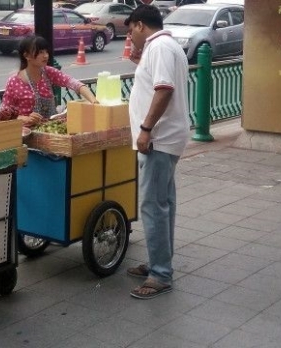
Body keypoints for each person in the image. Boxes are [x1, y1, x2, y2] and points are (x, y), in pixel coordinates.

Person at [123, 5, 190, 299]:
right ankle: (159, 261)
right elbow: (156, 84)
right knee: (165, 202)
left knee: (153, 205)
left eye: (129, 31)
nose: (130, 38)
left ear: (140, 25)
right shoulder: (164, 45)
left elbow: (164, 90)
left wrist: (146, 128)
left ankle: (160, 273)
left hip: (159, 139)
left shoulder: (160, 46)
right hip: (166, 137)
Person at [1, 35, 98, 128]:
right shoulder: (14, 81)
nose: (46, 56)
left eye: (46, 52)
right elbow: (4, 113)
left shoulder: (49, 72)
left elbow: (74, 83)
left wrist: (93, 101)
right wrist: (25, 118)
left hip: (51, 128)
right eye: (40, 52)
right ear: (27, 55)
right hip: (27, 133)